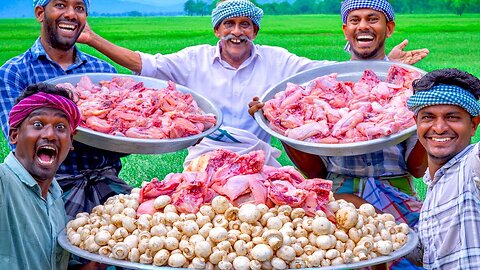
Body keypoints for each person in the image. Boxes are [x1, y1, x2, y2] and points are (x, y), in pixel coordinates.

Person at [79, 0, 428, 168]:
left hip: (258, 159)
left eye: (246, 24)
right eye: (229, 24)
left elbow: (329, 73)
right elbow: (144, 64)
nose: (237, 31)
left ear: (255, 32)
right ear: (217, 30)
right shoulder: (193, 59)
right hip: (203, 158)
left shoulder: (277, 60)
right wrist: (93, 39)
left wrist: (386, 67)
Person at [250, 0, 427, 228]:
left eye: (372, 19)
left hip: (396, 190)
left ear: (389, 28)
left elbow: (418, 169)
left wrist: (428, 115)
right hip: (339, 194)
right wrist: (278, 122)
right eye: (355, 20)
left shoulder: (406, 87)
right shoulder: (328, 85)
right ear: (345, 30)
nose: (363, 26)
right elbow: (316, 171)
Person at [0, 0, 132, 220]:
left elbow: (120, 143)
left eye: (79, 8)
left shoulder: (103, 71)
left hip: (106, 186)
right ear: (40, 13)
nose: (71, 14)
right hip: (45, 191)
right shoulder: (14, 73)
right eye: (61, 5)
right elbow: (19, 142)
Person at [0, 83, 80, 269]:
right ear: (14, 135)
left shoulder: (55, 195)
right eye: (38, 124)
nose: (50, 135)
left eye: (60, 127)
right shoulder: (4, 182)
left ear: (71, 142)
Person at [406, 68, 480, 269]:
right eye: (428, 117)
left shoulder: (472, 165)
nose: (439, 128)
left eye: (452, 117)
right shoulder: (432, 186)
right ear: (416, 123)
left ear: (473, 125)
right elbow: (427, 254)